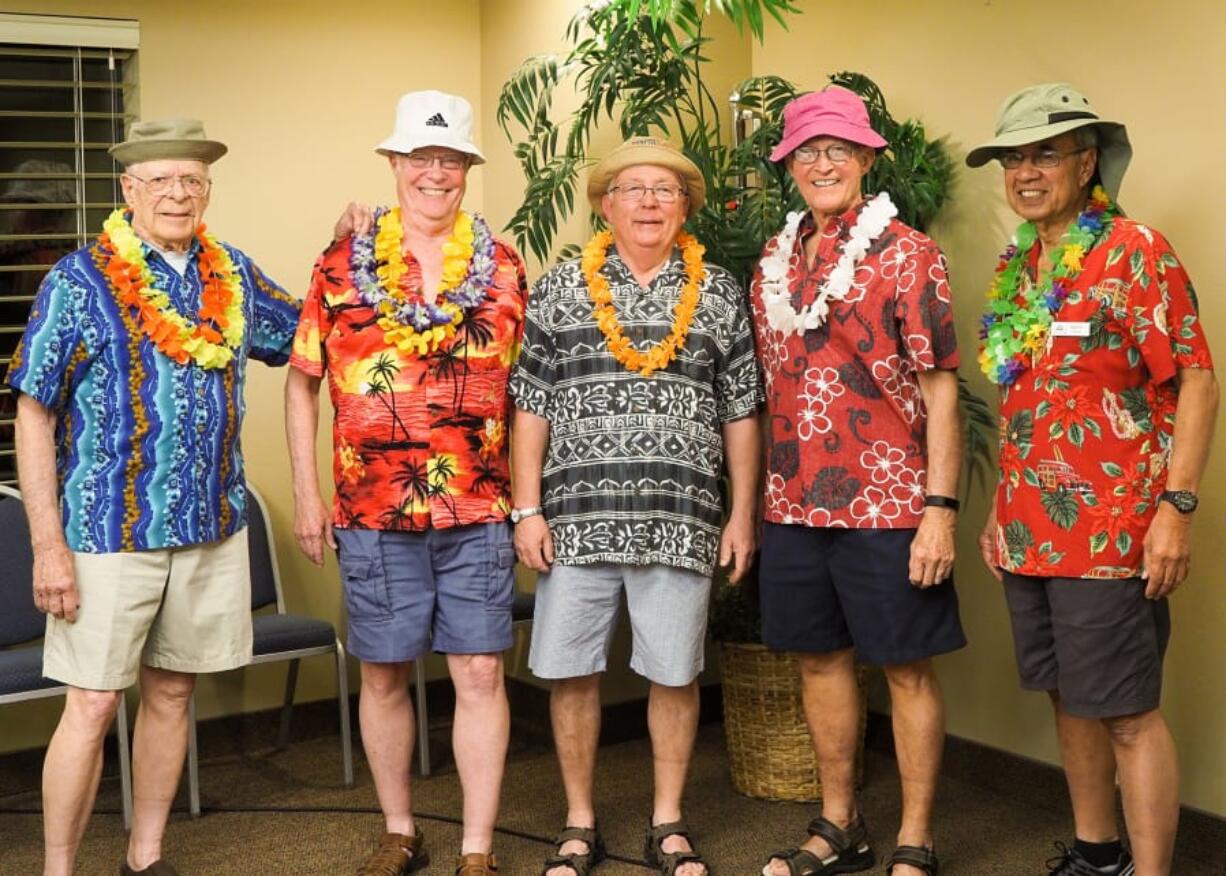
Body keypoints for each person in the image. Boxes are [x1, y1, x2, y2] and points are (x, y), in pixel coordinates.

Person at [6, 119, 301, 876]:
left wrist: (349, 253)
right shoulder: (78, 279)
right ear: (129, 190)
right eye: (162, 179)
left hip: (209, 526)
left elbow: (308, 335)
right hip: (106, 532)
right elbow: (33, 412)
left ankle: (146, 858)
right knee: (94, 705)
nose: (178, 192)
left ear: (208, 191)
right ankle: (59, 871)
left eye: (192, 180)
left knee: (172, 696)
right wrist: (48, 545)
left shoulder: (230, 271)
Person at [969, 83, 1217, 876]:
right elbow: (1026, 397)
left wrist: (1177, 507)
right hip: (1028, 529)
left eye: (1044, 153)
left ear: (1088, 163)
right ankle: (1096, 853)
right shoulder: (1018, 266)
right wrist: (1001, 510)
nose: (1025, 171)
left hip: (1113, 532)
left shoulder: (1135, 251)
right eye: (1013, 157)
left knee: (1127, 713)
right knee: (1067, 698)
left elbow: (1197, 380)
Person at [285, 90, 527, 876]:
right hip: (372, 508)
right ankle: (399, 830)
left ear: (466, 171)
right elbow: (301, 382)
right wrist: (307, 495)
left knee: (482, 672)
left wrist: (528, 502)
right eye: (420, 158)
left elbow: (533, 395)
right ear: (393, 165)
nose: (434, 172)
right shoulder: (338, 264)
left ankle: (478, 849)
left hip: (479, 505)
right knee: (384, 672)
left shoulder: (507, 269)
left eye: (450, 159)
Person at [508, 136, 762, 876]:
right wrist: (528, 509)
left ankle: (668, 821)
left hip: (682, 517)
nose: (650, 202)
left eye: (666, 190)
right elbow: (530, 403)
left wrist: (741, 513)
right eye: (634, 188)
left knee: (675, 674)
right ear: (605, 204)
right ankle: (579, 821)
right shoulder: (559, 286)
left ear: (685, 207)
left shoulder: (717, 290)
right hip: (576, 520)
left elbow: (741, 410)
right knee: (571, 671)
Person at [751, 87, 966, 876]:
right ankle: (840, 823)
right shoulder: (772, 262)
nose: (823, 161)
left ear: (868, 157)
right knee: (818, 660)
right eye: (806, 150)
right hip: (794, 497)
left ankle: (916, 836)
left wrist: (939, 510)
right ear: (789, 166)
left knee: (906, 667)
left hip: (889, 500)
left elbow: (942, 389)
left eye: (839, 147)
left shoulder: (909, 253)